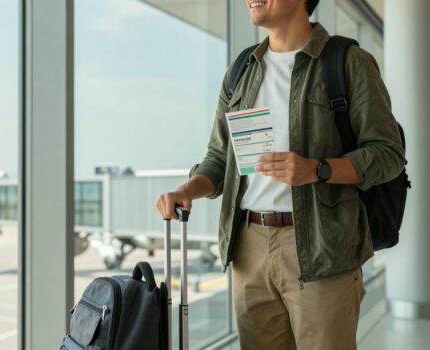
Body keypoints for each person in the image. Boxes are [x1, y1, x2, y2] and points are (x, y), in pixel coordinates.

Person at [156, 0, 405, 349]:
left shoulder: (347, 62)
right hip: (248, 246)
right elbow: (220, 157)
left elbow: (387, 153)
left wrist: (317, 169)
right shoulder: (242, 70)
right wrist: (190, 188)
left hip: (323, 246)